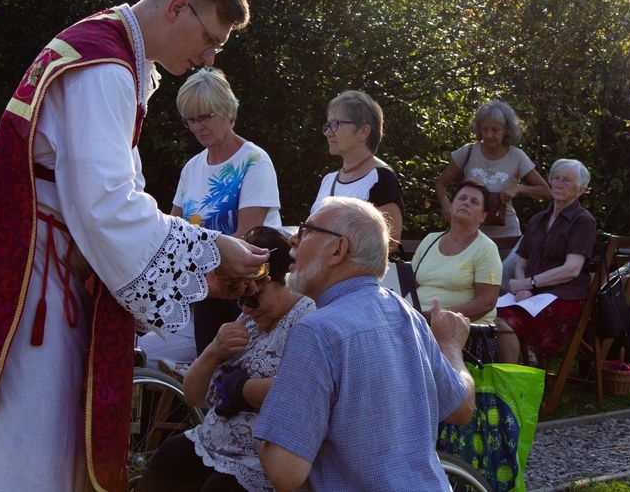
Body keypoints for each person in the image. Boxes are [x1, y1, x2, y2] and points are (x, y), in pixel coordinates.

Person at [0, 0, 268, 491]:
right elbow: (107, 207)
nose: (210, 56)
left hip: (25, 275)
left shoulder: (99, 47)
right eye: (211, 39)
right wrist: (213, 247)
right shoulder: (104, 66)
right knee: (23, 456)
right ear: (178, 7)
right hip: (33, 296)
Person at [255, 197, 475, 490]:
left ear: (338, 250)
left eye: (306, 230)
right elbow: (462, 409)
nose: (292, 238)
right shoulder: (405, 313)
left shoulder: (316, 331)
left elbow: (284, 472)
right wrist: (450, 346)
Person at [136, 226, 314, 491]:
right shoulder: (248, 321)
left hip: (261, 456)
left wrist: (238, 390)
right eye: (241, 297)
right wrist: (213, 351)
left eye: (254, 297)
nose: (245, 307)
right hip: (216, 442)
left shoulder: (308, 319)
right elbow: (194, 397)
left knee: (220, 487)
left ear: (285, 279)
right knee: (169, 456)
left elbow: (297, 390)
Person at [174, 66, 283, 355]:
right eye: (191, 120)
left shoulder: (255, 162)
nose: (198, 127)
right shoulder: (191, 168)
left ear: (228, 110)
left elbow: (244, 240)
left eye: (206, 116)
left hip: (249, 293)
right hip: (201, 288)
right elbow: (172, 230)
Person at [495, 159, 596, 364]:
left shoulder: (583, 221)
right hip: (530, 295)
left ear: (581, 190)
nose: (559, 184)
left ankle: (513, 383)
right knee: (486, 315)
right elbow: (521, 262)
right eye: (556, 178)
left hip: (563, 298)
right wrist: (522, 288)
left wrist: (528, 284)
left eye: (567, 180)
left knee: (503, 322)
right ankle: (492, 376)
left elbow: (571, 270)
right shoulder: (537, 220)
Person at [434, 100, 551, 240]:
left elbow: (546, 191)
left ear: (506, 129)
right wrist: (446, 204)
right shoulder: (468, 152)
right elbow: (440, 183)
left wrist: (518, 188)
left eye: (495, 130)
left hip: (507, 237)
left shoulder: (517, 156)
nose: (489, 135)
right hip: (469, 235)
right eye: (485, 129)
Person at [310, 90, 405, 253]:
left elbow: (389, 242)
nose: (328, 132)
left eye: (336, 124)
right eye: (328, 124)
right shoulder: (328, 179)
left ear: (363, 131)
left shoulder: (381, 178)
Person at [412, 181, 502, 325]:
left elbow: (487, 302)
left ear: (483, 216)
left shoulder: (486, 248)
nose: (466, 203)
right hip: (418, 323)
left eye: (474, 202)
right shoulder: (430, 240)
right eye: (462, 198)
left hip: (464, 330)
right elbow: (409, 286)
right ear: (451, 206)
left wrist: (441, 317)